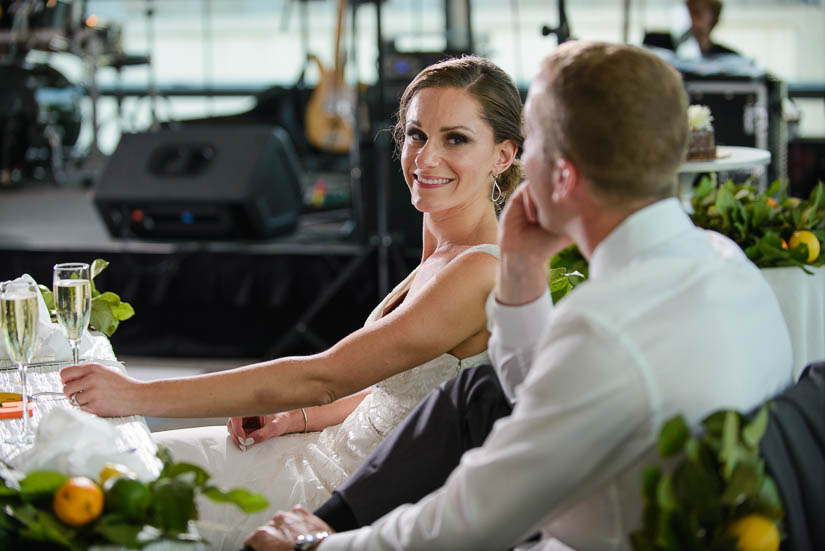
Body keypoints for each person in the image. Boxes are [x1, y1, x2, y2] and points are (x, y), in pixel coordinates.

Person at [240, 41, 793, 551]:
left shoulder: (603, 329)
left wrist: (315, 545)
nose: (521, 162)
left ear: (561, 174)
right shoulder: (728, 263)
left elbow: (473, 517)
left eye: (532, 143)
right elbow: (529, 391)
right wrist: (523, 273)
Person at [59, 55, 522, 550]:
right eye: (416, 135)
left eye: (456, 139)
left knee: (107, 491)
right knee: (103, 468)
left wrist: (134, 395)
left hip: (343, 499)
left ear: (503, 154)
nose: (426, 158)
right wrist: (293, 419)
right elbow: (403, 391)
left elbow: (320, 378)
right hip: (318, 447)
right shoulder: (440, 249)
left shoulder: (479, 270)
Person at [643, 0, 739, 58]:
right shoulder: (655, 45)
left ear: (713, 18)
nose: (689, 19)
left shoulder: (729, 57)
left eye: (697, 13)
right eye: (685, 12)